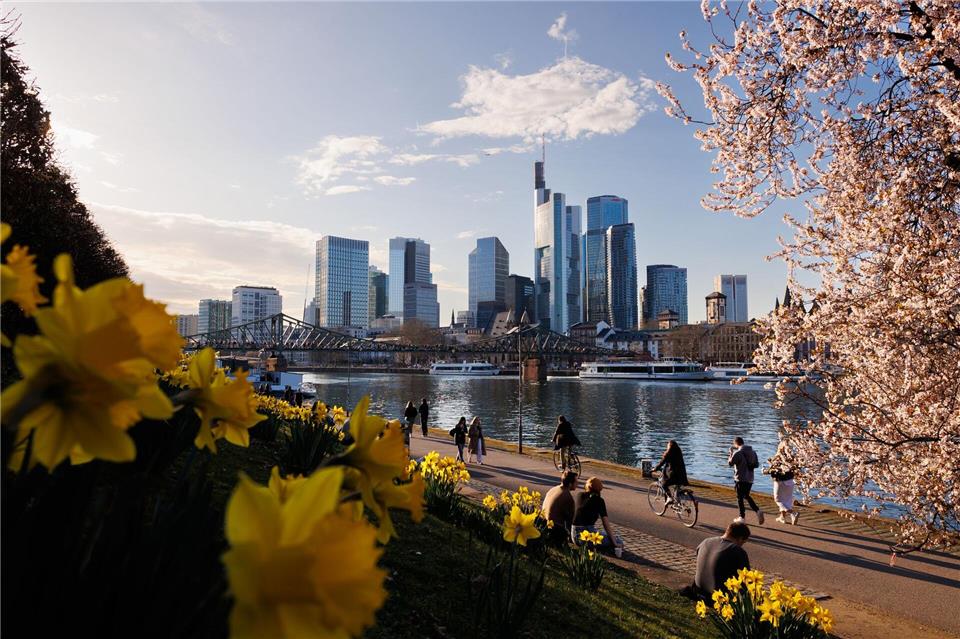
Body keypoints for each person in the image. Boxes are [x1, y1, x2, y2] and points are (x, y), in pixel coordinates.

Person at [693, 521, 751, 595]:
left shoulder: (705, 541)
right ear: (740, 538)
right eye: (743, 542)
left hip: (698, 589)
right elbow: (747, 579)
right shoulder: (736, 550)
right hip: (718, 596)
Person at [571, 477, 623, 555]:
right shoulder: (599, 501)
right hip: (585, 537)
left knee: (604, 534)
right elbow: (606, 524)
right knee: (618, 540)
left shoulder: (580, 495)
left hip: (574, 535)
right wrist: (615, 543)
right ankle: (609, 550)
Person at [728, 437, 764, 525]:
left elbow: (730, 463)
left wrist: (731, 453)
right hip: (750, 479)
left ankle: (742, 517)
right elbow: (756, 464)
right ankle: (757, 511)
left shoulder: (738, 453)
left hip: (740, 478)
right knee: (746, 495)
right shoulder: (753, 452)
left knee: (739, 498)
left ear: (736, 444)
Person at [765, 439, 799, 525]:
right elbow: (796, 469)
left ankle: (792, 513)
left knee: (778, 500)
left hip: (780, 481)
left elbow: (774, 471)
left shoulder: (778, 457)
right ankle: (782, 517)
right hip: (790, 481)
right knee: (787, 500)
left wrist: (767, 471)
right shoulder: (792, 457)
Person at [543, 471, 578, 543]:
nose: (577, 484)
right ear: (570, 484)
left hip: (544, 525)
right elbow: (570, 522)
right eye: (576, 482)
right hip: (555, 531)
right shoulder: (568, 497)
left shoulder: (553, 489)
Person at [654, 440, 688, 505]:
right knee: (676, 490)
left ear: (669, 447)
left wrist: (655, 469)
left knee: (663, 484)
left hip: (674, 476)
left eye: (668, 445)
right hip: (682, 476)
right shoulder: (679, 453)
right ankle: (677, 502)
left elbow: (661, 463)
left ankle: (669, 498)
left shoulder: (668, 453)